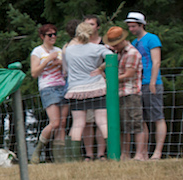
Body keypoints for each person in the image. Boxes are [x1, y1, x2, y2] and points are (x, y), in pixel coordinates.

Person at [62, 21, 109, 161]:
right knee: (102, 121)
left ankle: (73, 158)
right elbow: (114, 57)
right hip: (97, 88)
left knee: (78, 123)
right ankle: (112, 152)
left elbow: (65, 70)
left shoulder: (67, 49)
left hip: (76, 90)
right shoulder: (96, 48)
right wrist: (100, 68)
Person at [126, 12, 166, 160]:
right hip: (137, 83)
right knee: (140, 119)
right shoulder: (134, 42)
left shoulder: (152, 39)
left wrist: (153, 82)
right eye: (129, 26)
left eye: (134, 26)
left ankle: (158, 151)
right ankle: (142, 152)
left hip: (151, 82)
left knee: (157, 116)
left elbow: (156, 61)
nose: (131, 29)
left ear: (141, 25)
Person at [30, 24, 67, 164]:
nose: (53, 37)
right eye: (49, 35)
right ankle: (38, 149)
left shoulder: (59, 50)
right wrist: (47, 60)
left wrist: (60, 63)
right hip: (48, 88)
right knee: (55, 122)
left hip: (62, 86)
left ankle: (60, 158)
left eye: (55, 34)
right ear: (42, 37)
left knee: (62, 123)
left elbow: (65, 70)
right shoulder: (37, 52)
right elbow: (34, 73)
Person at [105, 26, 143, 160]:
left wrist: (110, 78)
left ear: (121, 41)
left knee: (135, 124)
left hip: (131, 93)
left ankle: (139, 154)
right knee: (122, 125)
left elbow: (129, 74)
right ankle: (125, 154)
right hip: (119, 93)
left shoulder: (131, 53)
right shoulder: (118, 53)